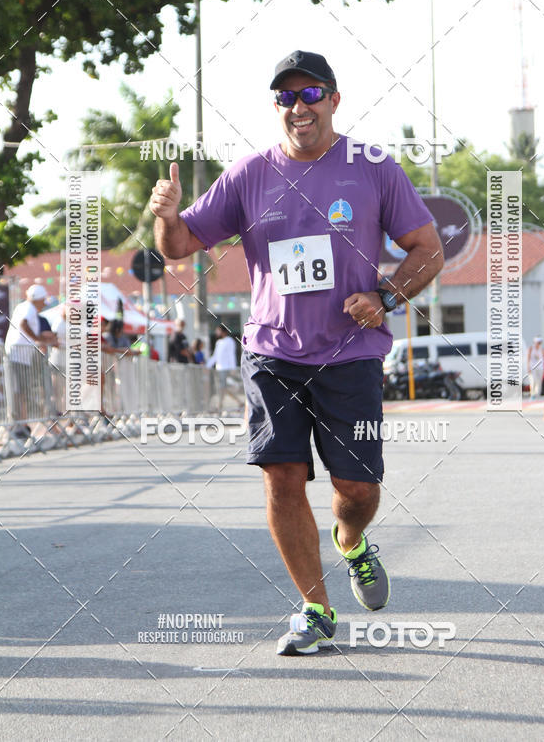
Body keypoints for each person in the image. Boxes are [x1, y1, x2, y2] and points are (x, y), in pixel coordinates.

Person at [149, 49, 443, 656]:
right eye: (286, 97)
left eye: (310, 94)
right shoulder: (250, 173)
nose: (298, 107)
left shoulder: (373, 167)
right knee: (282, 479)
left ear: (334, 99)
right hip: (272, 355)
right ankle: (316, 609)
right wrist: (166, 216)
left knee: (356, 491)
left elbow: (427, 248)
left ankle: (352, 542)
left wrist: (385, 295)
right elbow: (179, 245)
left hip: (351, 355)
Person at [5, 284, 57, 424]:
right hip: (18, 355)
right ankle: (18, 424)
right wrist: (37, 339)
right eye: (42, 300)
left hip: (22, 355)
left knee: (21, 391)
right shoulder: (28, 307)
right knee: (18, 391)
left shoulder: (27, 308)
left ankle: (21, 422)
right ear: (37, 299)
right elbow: (24, 323)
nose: (43, 304)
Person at [206, 325, 239, 412]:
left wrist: (233, 368)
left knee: (222, 387)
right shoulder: (219, 342)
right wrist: (208, 365)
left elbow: (231, 355)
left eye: (218, 331)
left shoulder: (229, 341)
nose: (217, 333)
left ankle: (219, 405)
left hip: (226, 368)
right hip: (219, 368)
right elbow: (215, 356)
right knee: (223, 387)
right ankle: (238, 401)